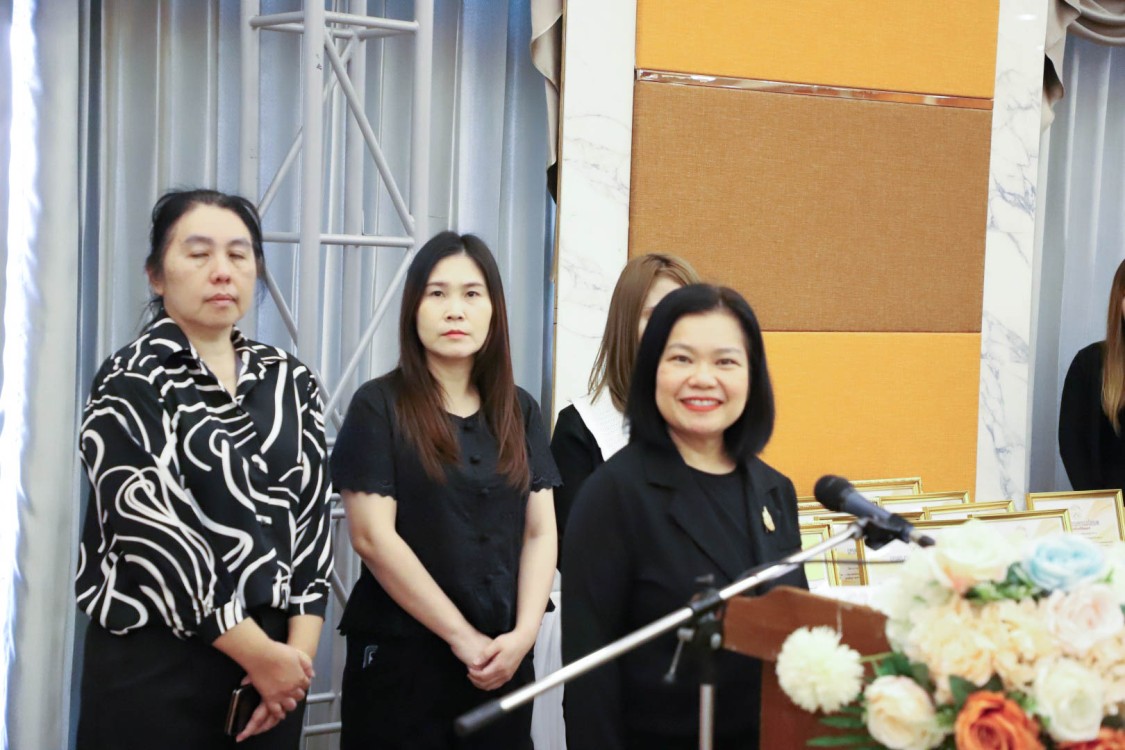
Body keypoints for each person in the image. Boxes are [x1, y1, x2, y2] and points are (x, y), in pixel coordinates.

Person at [75, 189, 333, 749]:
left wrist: (292, 667)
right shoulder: (130, 378)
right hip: (158, 667)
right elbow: (151, 532)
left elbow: (313, 527)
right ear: (156, 275)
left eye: (239, 255)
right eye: (198, 254)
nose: (222, 271)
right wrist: (262, 659)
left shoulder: (291, 380)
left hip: (274, 673)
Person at [330, 231, 560, 749]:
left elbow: (540, 531)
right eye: (437, 293)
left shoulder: (520, 409)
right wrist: (463, 638)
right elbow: (372, 538)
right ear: (413, 308)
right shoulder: (379, 405)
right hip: (403, 663)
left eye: (472, 294)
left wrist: (524, 636)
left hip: (503, 661)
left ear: (494, 310)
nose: (455, 309)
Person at [561, 284, 808, 750]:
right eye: (681, 359)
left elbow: (794, 642)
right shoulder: (612, 495)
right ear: (651, 370)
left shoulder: (775, 490)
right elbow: (590, 684)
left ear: (753, 375)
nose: (703, 378)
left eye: (725, 362)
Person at [551, 253, 699, 551]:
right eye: (655, 315)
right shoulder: (581, 428)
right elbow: (574, 549)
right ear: (626, 324)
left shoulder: (716, 421)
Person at [1060, 258, 1125, 491]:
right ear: (1119, 301)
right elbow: (1072, 444)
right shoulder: (1089, 363)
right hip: (1108, 506)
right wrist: (1097, 504)